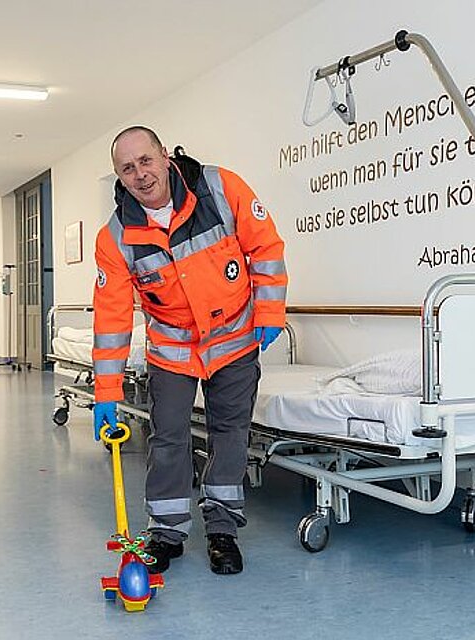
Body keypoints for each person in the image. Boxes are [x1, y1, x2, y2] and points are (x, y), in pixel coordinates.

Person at [92, 127, 287, 575]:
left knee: (229, 433)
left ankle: (222, 530)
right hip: (173, 349)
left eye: (145, 160)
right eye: (127, 168)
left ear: (164, 155)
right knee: (169, 436)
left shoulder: (220, 188)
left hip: (234, 338)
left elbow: (266, 248)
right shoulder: (117, 237)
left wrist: (270, 312)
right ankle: (166, 530)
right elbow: (112, 317)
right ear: (119, 178)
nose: (140, 174)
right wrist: (106, 391)